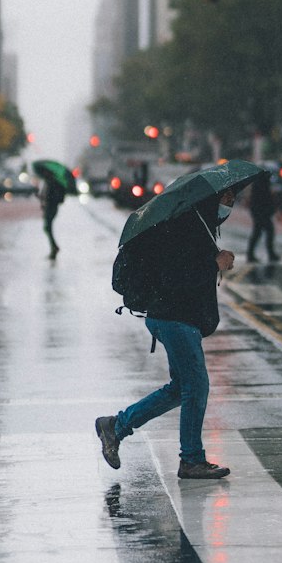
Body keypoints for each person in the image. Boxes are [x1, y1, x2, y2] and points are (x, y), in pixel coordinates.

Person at [95, 188, 237, 481]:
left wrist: (215, 260)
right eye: (226, 199)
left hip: (179, 317)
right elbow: (175, 278)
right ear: (210, 200)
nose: (230, 205)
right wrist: (214, 263)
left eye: (233, 200)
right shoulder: (183, 230)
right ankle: (191, 460)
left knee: (180, 388)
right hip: (174, 317)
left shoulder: (200, 227)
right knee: (196, 386)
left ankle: (115, 426)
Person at [246, 171, 279, 263]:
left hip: (260, 213)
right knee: (266, 233)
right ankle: (269, 253)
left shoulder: (259, 185)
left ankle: (251, 254)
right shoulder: (262, 186)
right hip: (262, 213)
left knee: (258, 233)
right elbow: (265, 200)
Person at [40, 174, 65, 258]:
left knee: (47, 227)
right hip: (50, 207)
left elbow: (51, 196)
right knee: (47, 228)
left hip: (51, 207)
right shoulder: (49, 182)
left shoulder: (52, 183)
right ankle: (54, 247)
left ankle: (54, 248)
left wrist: (46, 198)